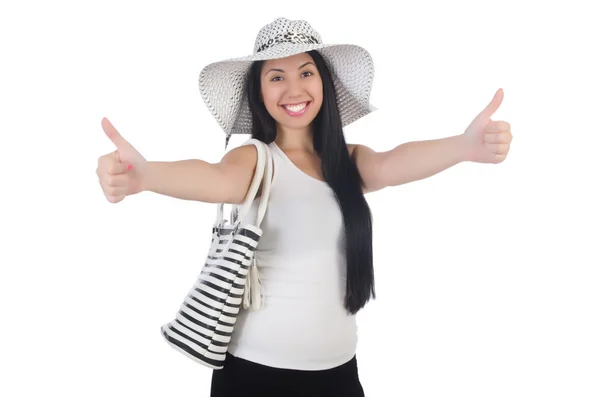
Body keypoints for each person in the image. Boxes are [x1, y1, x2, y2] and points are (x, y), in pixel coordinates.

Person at [96, 17, 512, 397]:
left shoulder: (347, 163)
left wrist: (465, 146)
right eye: (276, 77)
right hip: (256, 377)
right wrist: (144, 176)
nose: (294, 90)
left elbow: (393, 163)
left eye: (306, 73)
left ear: (324, 84)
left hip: (339, 376)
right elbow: (213, 178)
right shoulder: (256, 159)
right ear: (259, 93)